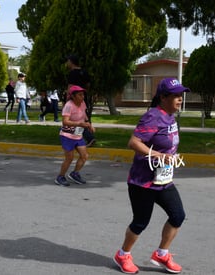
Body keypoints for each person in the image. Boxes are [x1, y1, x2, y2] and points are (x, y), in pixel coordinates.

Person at [113, 78, 189, 274]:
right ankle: (123, 254)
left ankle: (162, 253)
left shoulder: (170, 116)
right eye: (176, 96)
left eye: (181, 96)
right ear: (163, 97)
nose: (180, 99)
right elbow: (134, 142)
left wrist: (170, 157)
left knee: (178, 215)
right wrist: (158, 155)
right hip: (143, 182)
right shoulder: (153, 117)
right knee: (140, 222)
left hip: (163, 181)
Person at [54, 85, 94, 187]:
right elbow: (65, 122)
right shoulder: (69, 105)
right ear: (73, 96)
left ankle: (74, 173)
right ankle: (60, 177)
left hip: (77, 135)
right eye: (80, 95)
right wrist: (79, 124)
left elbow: (84, 116)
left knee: (84, 156)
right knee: (69, 158)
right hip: (67, 135)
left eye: (83, 95)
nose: (82, 97)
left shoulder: (82, 104)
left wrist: (89, 125)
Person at [65, 54, 96, 147]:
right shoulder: (84, 72)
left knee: (74, 119)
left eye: (68, 61)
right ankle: (81, 138)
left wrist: (68, 98)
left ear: (71, 62)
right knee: (82, 117)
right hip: (83, 97)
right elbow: (88, 85)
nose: (67, 63)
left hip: (74, 98)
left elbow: (70, 87)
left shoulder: (72, 73)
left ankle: (89, 137)